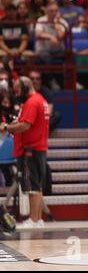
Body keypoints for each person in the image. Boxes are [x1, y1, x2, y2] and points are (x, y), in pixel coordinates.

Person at [0, 77, 50, 228]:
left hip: (30, 150)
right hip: (37, 149)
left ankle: (34, 220)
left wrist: (7, 127)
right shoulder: (40, 100)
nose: (16, 94)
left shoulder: (32, 102)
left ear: (26, 86)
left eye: (18, 90)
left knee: (32, 186)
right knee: (36, 186)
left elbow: (25, 126)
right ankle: (38, 219)